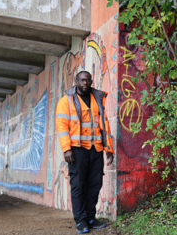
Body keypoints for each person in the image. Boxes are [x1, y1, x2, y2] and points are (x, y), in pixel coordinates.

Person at [56, 71, 114, 234]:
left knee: (95, 184)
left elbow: (104, 124)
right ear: (76, 81)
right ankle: (80, 220)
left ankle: (90, 217)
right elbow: (62, 126)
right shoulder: (66, 101)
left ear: (91, 81)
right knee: (78, 184)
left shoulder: (97, 99)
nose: (85, 83)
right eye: (82, 80)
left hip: (96, 149)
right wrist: (67, 149)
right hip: (77, 149)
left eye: (88, 80)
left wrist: (108, 148)